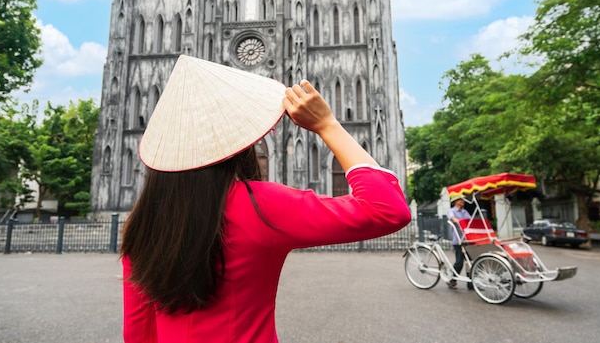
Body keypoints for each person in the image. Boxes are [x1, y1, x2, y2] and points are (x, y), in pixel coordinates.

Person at [121, 55, 411, 343]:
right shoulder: (260, 207)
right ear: (238, 144)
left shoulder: (142, 223)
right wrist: (327, 125)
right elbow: (386, 209)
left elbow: (137, 333)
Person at [447, 195, 470, 290]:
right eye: (461, 200)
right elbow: (452, 218)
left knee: (470, 262)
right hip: (458, 240)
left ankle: (471, 283)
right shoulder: (452, 211)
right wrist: (461, 222)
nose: (463, 201)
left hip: (467, 239)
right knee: (459, 262)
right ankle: (452, 280)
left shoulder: (465, 212)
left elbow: (469, 220)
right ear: (456, 201)